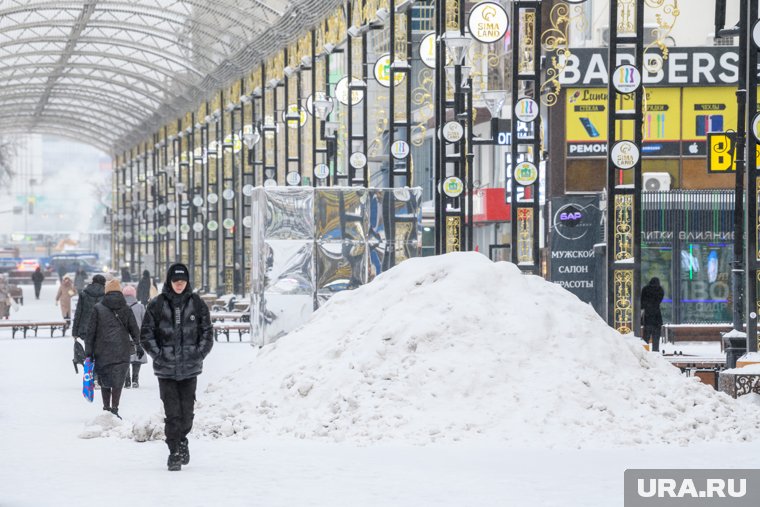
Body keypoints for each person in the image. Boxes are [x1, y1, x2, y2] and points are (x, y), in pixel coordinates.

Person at [141, 263, 213, 471]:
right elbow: (146, 334)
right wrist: (159, 355)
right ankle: (174, 452)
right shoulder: (157, 304)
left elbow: (207, 332)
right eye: (175, 281)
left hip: (190, 368)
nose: (179, 285)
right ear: (170, 282)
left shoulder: (197, 303)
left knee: (187, 413)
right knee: (172, 413)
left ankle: (182, 440)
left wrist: (198, 353)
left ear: (187, 282)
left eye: (182, 281)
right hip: (166, 370)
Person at [83, 279, 142, 419]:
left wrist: (88, 353)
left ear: (106, 291)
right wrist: (138, 344)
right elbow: (134, 329)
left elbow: (90, 332)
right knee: (118, 381)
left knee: (104, 380)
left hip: (101, 350)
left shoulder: (98, 308)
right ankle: (115, 409)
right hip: (122, 351)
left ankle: (106, 408)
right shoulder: (126, 308)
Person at [122, 285, 146, 389]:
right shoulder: (140, 307)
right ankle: (135, 380)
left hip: (123, 337)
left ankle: (127, 380)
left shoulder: (120, 307)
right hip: (137, 336)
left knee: (125, 358)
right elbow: (145, 322)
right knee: (137, 359)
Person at [72, 274, 106, 340]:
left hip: (86, 329)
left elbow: (78, 313)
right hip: (102, 329)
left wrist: (75, 332)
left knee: (88, 349)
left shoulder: (84, 294)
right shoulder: (106, 295)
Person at [641, 277, 665, 352]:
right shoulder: (660, 290)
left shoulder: (645, 289)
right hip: (657, 318)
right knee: (656, 339)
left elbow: (641, 303)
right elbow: (659, 301)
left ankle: (645, 352)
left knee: (646, 339)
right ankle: (655, 352)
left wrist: (646, 305)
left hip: (648, 318)